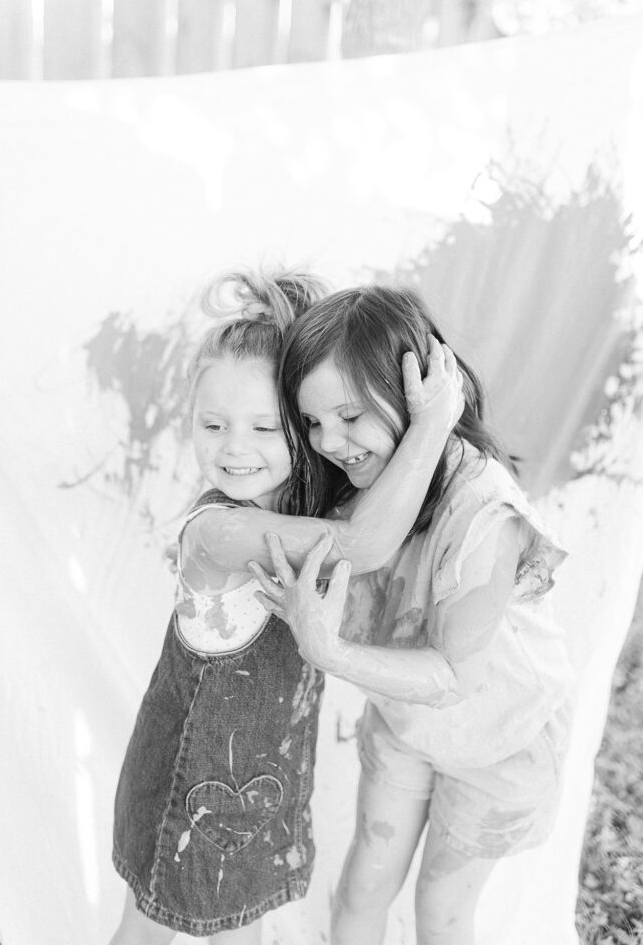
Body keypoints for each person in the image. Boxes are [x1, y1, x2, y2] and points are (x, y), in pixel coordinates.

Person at [109, 271, 464, 945]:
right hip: (188, 791)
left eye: (264, 426)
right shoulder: (220, 533)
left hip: (261, 789)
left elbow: (374, 513)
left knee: (243, 927)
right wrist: (432, 424)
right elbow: (365, 543)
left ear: (302, 431)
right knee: (149, 931)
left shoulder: (302, 513)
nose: (233, 446)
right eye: (212, 424)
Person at [249, 284, 573, 945]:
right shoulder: (357, 491)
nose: (329, 441)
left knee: (441, 911)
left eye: (348, 416)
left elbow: (454, 674)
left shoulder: (483, 510)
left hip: (500, 739)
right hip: (407, 723)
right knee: (364, 884)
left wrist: (329, 651)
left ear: (416, 391)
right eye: (313, 422)